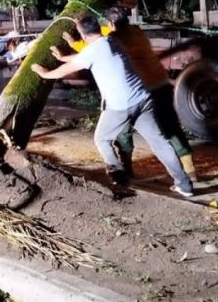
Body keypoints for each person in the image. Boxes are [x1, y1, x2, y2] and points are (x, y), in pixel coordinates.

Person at [32, 15, 194, 197]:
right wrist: (63, 57)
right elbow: (85, 56)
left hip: (120, 106)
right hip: (142, 99)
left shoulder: (92, 52)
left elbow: (67, 68)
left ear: (82, 35)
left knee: (101, 139)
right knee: (161, 143)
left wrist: (44, 73)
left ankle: (118, 173)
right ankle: (184, 184)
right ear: (99, 28)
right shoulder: (112, 41)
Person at [64, 6, 198, 182]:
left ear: (111, 23)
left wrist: (76, 42)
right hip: (161, 84)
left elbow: (95, 49)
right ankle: (189, 172)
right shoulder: (137, 31)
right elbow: (101, 38)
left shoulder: (114, 40)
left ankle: (125, 169)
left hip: (140, 91)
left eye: (107, 23)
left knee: (122, 131)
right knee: (170, 127)